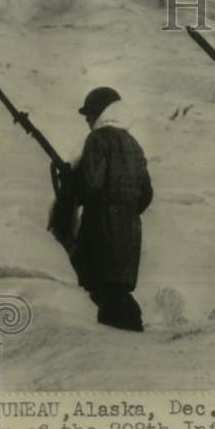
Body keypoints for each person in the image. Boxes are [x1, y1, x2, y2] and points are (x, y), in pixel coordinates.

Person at [70, 86, 153, 332]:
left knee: (104, 292)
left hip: (101, 226)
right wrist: (126, 212)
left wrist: (75, 186)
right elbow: (147, 194)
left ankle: (118, 349)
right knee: (118, 289)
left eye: (89, 113)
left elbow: (92, 184)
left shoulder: (98, 139)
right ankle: (133, 330)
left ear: (101, 112)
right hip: (129, 229)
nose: (87, 119)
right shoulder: (134, 144)